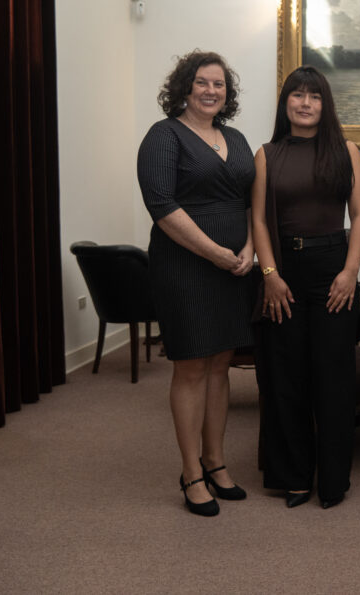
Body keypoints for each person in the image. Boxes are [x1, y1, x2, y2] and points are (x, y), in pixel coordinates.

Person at [137, 50, 255, 517]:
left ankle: (215, 461)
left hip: (234, 268)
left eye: (219, 84)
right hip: (184, 266)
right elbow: (161, 205)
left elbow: (250, 200)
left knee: (220, 365)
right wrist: (215, 253)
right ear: (185, 88)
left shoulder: (236, 138)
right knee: (191, 367)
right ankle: (190, 473)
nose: (211, 91)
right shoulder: (163, 136)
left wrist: (249, 249)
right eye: (202, 82)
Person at [251, 66, 360, 509]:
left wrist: (350, 271)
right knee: (287, 377)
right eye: (297, 95)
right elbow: (258, 220)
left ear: (325, 104)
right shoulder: (267, 155)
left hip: (333, 270)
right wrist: (270, 275)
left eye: (314, 96)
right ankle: (294, 476)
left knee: (333, 378)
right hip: (284, 272)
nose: (305, 103)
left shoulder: (346, 151)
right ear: (285, 103)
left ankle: (334, 480)